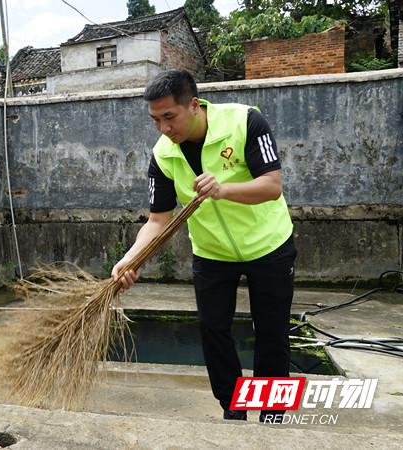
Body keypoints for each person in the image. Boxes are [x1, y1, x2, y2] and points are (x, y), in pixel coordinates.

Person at [112, 69, 296, 423]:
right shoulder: (163, 155)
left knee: (271, 332)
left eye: (170, 116)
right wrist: (130, 260)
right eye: (155, 120)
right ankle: (234, 407)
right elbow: (158, 220)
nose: (164, 128)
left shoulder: (245, 122)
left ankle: (274, 415)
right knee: (213, 331)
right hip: (212, 254)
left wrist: (223, 188)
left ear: (193, 105)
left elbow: (272, 185)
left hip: (269, 246)